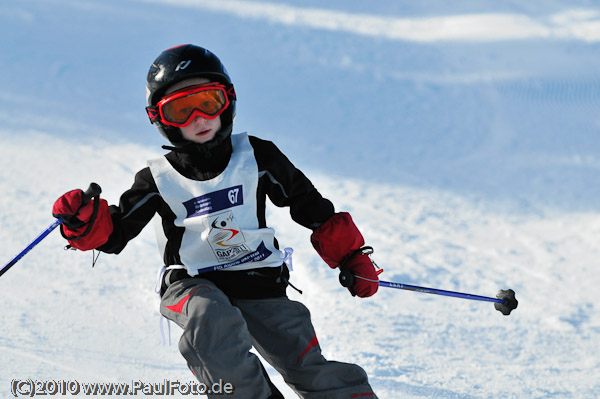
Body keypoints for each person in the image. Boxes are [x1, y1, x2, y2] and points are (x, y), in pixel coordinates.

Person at [52, 44, 380, 398]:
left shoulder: (257, 157)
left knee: (304, 361)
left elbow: (309, 205)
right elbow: (115, 235)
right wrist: (83, 223)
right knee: (212, 320)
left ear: (229, 101)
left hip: (260, 280)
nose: (198, 118)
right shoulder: (157, 178)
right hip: (191, 284)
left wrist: (350, 256)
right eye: (180, 109)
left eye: (208, 102)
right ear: (160, 118)